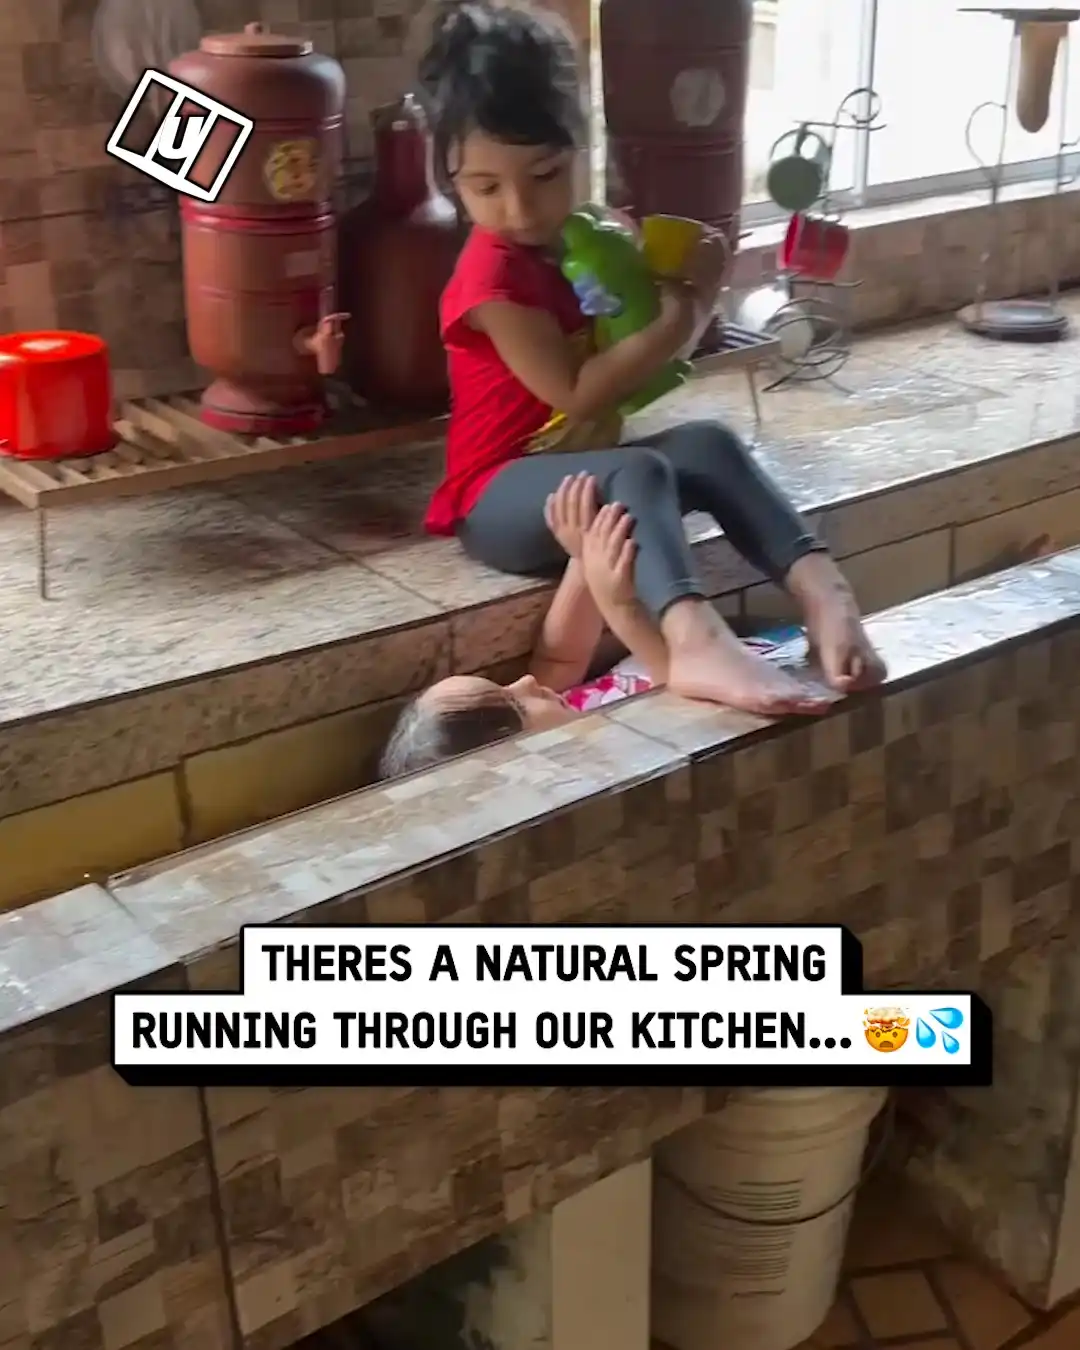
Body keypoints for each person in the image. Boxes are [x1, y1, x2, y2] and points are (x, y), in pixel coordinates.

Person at [416, 0, 886, 719]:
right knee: (641, 468)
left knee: (707, 443)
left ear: (579, 150)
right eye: (485, 188)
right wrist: (692, 309)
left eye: (544, 175)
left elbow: (637, 340)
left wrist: (679, 270)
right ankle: (693, 637)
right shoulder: (490, 283)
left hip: (580, 475)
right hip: (495, 498)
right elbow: (579, 391)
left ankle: (825, 590)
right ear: (451, 179)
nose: (519, 208)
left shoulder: (581, 240)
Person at [380, 474, 820, 778]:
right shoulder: (603, 751)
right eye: (515, 705)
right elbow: (684, 692)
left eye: (505, 684)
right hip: (754, 680)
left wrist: (584, 554)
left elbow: (559, 653)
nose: (526, 681)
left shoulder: (560, 711)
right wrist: (621, 606)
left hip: (753, 649)